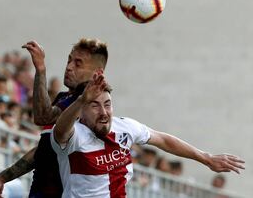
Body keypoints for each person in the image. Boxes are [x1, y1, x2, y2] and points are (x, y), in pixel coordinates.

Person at [51, 73, 245, 198]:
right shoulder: (75, 135)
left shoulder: (125, 127)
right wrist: (81, 99)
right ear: (81, 111)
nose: (104, 112)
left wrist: (206, 158)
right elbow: (60, 130)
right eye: (94, 105)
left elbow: (163, 139)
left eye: (108, 104)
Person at [0, 38, 108, 198]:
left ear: (97, 73)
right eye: (69, 60)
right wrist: (2, 177)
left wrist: (41, 69)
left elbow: (43, 116)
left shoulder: (89, 104)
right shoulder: (64, 98)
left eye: (78, 63)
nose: (69, 67)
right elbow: (44, 149)